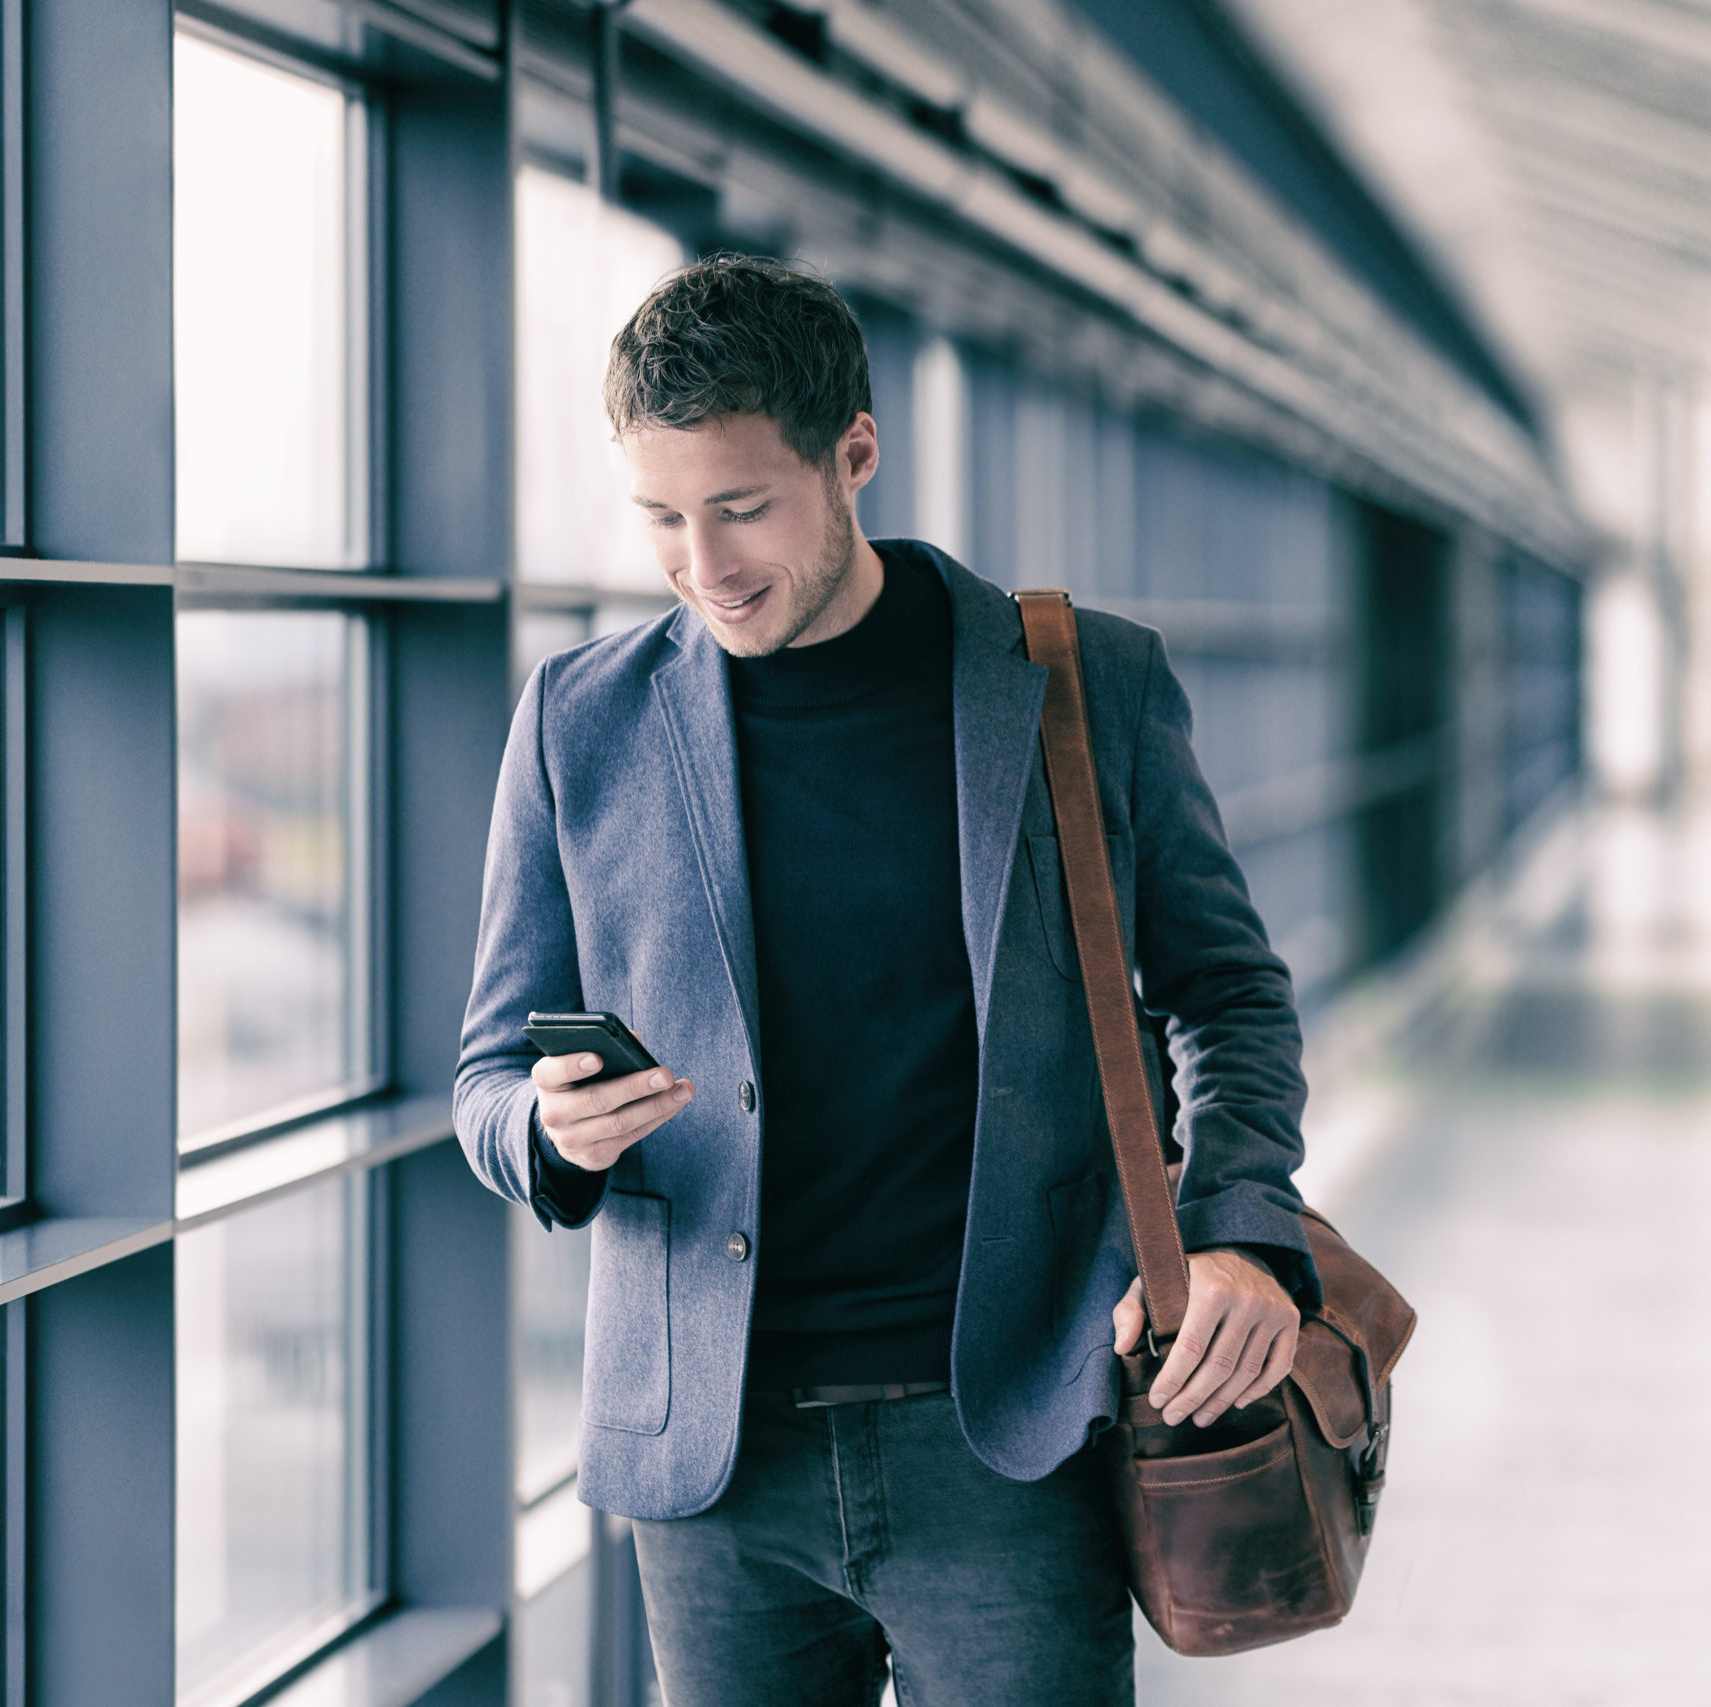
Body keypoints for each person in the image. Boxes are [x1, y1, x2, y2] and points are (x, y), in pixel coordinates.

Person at [455, 254, 1317, 1706]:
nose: (704, 564)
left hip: (1007, 1430)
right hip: (716, 1462)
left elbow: (1226, 997)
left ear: (854, 453)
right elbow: (484, 1077)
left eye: (743, 509)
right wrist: (546, 1133)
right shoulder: (577, 723)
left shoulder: (1082, 685)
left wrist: (1240, 1226)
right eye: (661, 517)